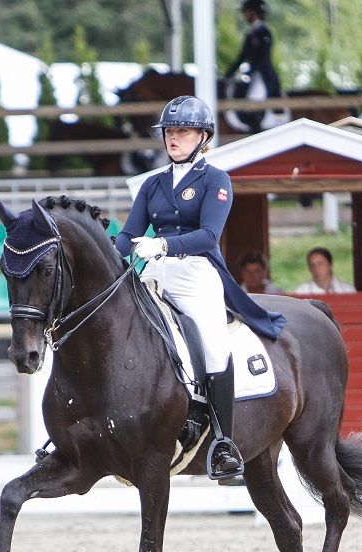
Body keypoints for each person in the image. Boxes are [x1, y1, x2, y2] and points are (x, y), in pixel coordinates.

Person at [114, 95, 286, 482]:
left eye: (183, 131)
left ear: (202, 136)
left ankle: (224, 442)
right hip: (155, 274)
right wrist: (108, 252)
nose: (173, 139)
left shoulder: (215, 180)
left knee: (211, 345)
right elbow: (128, 234)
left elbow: (209, 236)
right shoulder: (152, 184)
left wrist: (164, 244)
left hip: (196, 275)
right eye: (169, 132)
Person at [223, 0, 283, 131]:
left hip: (262, 75)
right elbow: (242, 56)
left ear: (253, 13)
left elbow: (262, 57)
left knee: (253, 103)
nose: (245, 16)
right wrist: (228, 74)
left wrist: (249, 71)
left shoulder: (264, 32)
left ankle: (258, 131)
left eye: (246, 13)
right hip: (253, 74)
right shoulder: (251, 33)